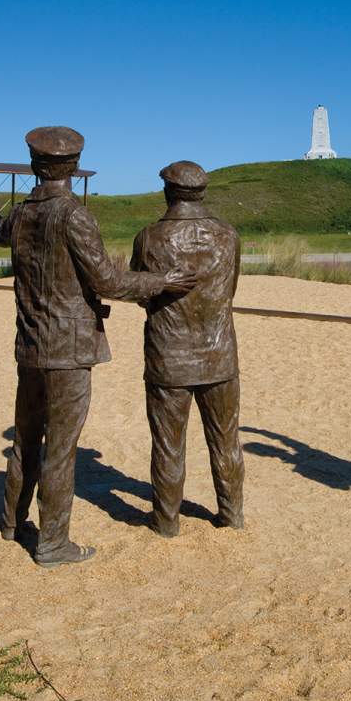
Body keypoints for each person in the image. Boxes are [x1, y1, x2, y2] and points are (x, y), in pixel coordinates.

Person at [0, 127, 196, 567]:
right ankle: (52, 544)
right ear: (75, 166)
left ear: (33, 165)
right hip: (68, 349)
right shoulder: (74, 217)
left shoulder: (21, 215)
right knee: (61, 448)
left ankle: (11, 522)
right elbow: (109, 281)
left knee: (26, 437)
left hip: (31, 344)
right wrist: (161, 281)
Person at [130, 160, 244, 537]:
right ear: (202, 192)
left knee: (168, 445)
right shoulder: (228, 235)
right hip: (219, 355)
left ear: (168, 191)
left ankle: (166, 522)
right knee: (226, 440)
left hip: (169, 358)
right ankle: (231, 514)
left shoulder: (149, 238)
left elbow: (141, 292)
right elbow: (229, 290)